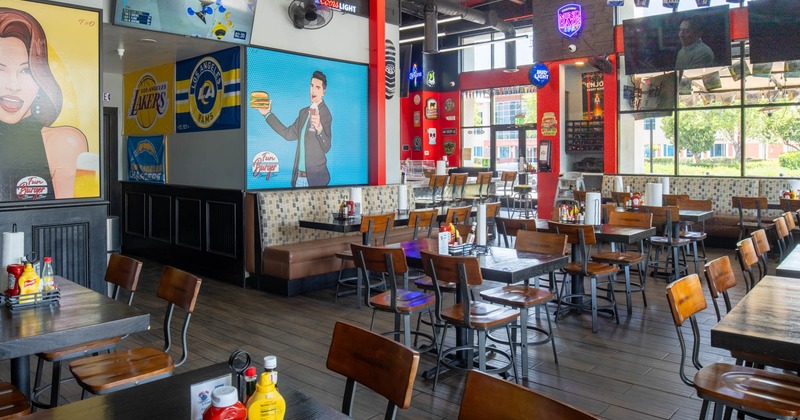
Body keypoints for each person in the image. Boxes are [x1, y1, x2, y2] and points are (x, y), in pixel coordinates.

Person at [0, 8, 88, 201]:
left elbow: (77, 217)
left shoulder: (66, 142)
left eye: (26, 71)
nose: (13, 86)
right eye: (1, 69)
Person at [256, 71, 332, 188]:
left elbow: (326, 147)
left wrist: (319, 128)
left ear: (323, 92)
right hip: (299, 179)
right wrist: (267, 114)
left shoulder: (325, 114)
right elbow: (288, 134)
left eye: (317, 87)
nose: (313, 90)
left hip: (317, 180)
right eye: (311, 86)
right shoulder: (303, 113)